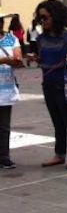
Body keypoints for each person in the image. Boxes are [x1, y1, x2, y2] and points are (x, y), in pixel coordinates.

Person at [28, 0, 67, 170]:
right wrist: (35, 58)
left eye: (45, 17)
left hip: (65, 83)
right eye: (40, 19)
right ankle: (59, 154)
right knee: (56, 121)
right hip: (48, 83)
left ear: (56, 16)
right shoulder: (41, 38)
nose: (42, 21)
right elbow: (42, 58)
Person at [0, 14, 24, 169]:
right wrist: (3, 60)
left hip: (5, 88)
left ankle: (3, 156)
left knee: (4, 125)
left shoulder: (10, 38)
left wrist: (17, 60)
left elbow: (17, 55)